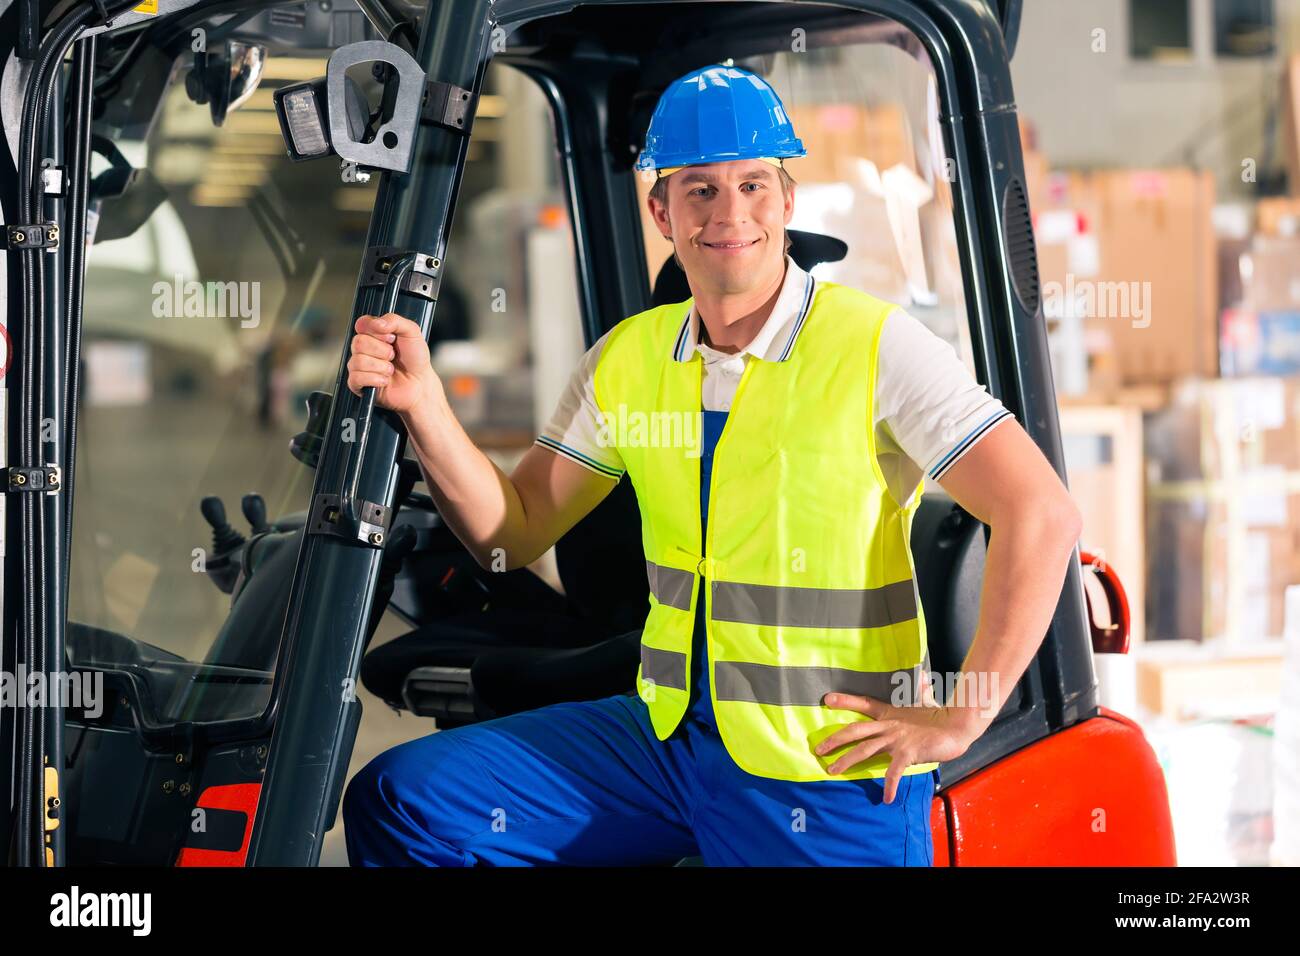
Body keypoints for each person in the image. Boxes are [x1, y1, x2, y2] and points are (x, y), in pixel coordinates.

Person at [340, 65, 1082, 866]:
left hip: (822, 768)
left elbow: (1040, 513)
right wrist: (424, 409)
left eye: (754, 185)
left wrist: (962, 714)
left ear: (787, 202)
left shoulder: (875, 348)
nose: (731, 212)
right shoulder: (629, 361)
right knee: (407, 803)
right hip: (665, 743)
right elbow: (511, 533)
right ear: (661, 211)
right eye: (700, 190)